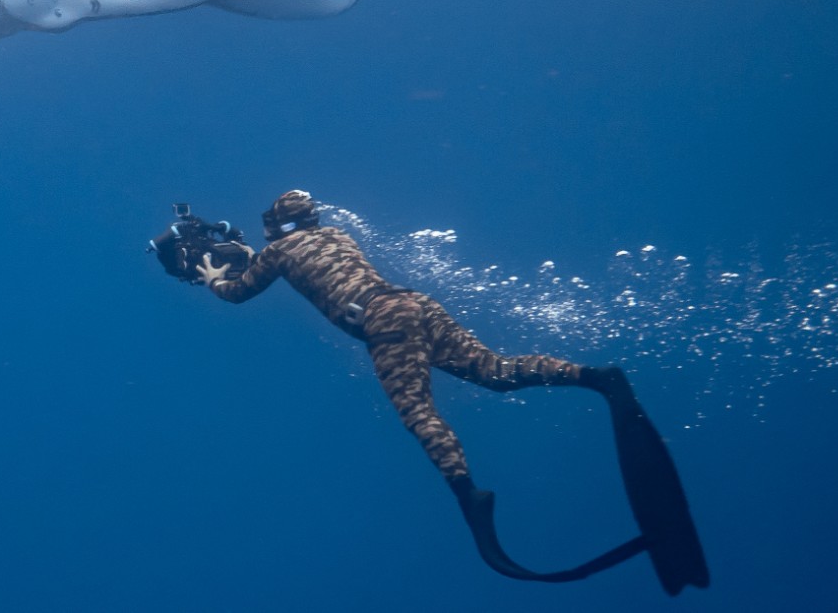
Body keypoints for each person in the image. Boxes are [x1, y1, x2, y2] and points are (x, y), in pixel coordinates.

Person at [152, 189, 708, 595]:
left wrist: (211, 278)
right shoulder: (336, 234)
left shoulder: (278, 252)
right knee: (493, 370)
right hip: (413, 302)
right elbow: (299, 260)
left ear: (276, 226)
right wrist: (250, 252)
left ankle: (470, 499)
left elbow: (239, 294)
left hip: (381, 323)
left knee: (418, 411)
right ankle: (597, 378)